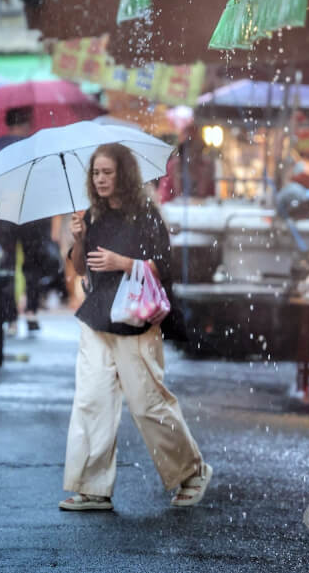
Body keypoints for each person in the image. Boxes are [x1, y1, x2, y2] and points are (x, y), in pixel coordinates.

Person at [60, 143, 211, 511]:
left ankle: (192, 472)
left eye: (107, 172)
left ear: (123, 174)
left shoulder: (145, 214)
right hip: (97, 318)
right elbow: (81, 269)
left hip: (135, 319)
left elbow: (164, 266)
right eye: (96, 173)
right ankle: (93, 488)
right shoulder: (92, 217)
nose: (100, 179)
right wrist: (79, 238)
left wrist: (123, 262)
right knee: (91, 401)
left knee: (148, 403)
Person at [0, 105, 53, 333]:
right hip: (34, 213)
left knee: (6, 264)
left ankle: (9, 318)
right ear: (27, 123)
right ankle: (31, 312)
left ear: (8, 123)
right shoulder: (36, 146)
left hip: (5, 213)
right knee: (33, 265)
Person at [158, 123, 214, 203]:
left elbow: (210, 197)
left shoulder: (206, 166)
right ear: (183, 149)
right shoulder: (173, 166)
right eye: (191, 147)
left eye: (199, 149)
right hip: (176, 211)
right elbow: (164, 196)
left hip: (201, 211)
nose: (195, 153)